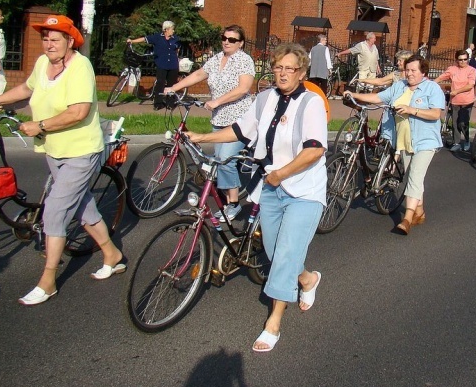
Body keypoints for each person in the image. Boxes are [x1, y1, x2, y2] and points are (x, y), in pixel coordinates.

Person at [186, 43, 327, 352]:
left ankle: (273, 321)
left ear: (301, 72)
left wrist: (282, 172)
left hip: (304, 190)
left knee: (286, 251)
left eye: (290, 68)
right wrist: (203, 137)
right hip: (272, 187)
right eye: (278, 67)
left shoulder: (311, 103)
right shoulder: (264, 99)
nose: (283, 73)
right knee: (276, 251)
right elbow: (240, 130)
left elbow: (315, 149)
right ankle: (306, 279)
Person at [0, 15, 125, 305]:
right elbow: (26, 90)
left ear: (70, 41)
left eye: (55, 38)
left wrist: (40, 125)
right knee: (82, 205)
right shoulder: (44, 63)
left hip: (81, 150)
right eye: (45, 38)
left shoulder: (81, 67)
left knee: (55, 211)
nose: (48, 43)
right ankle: (112, 254)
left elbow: (78, 112)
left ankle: (48, 280)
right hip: (54, 149)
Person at [165, 24, 255, 222]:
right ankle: (228, 185)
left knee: (224, 160)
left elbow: (243, 88)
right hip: (219, 118)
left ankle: (233, 205)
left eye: (232, 39)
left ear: (240, 43)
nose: (226, 42)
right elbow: (199, 74)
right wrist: (174, 87)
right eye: (224, 37)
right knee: (221, 159)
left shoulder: (244, 60)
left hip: (239, 119)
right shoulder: (216, 59)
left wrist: (217, 101)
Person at [346, 55, 444, 235]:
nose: (410, 73)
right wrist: (355, 95)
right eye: (408, 70)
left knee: (414, 175)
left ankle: (406, 219)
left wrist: (411, 110)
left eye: (414, 70)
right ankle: (419, 212)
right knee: (415, 178)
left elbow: (436, 114)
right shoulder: (399, 86)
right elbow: (377, 97)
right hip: (403, 139)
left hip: (425, 140)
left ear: (423, 72)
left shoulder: (432, 88)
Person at [127, 20, 179, 109]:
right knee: (160, 83)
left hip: (173, 65)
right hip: (161, 64)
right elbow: (144, 39)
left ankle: (170, 103)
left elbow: (177, 49)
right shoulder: (157, 37)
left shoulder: (176, 39)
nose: (173, 31)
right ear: (166, 29)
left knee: (171, 85)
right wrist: (132, 41)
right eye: (172, 29)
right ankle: (158, 103)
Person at [435, 50, 476, 152]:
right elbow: (441, 77)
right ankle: (456, 142)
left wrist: (457, 91)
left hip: (467, 101)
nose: (463, 62)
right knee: (454, 123)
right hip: (455, 101)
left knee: (462, 123)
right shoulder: (452, 69)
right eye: (460, 60)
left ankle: (466, 140)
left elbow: (470, 85)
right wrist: (432, 83)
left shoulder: (471, 70)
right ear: (457, 60)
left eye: (465, 59)